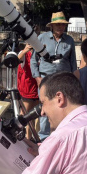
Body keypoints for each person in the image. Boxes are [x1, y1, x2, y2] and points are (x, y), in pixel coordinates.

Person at [31, 12, 78, 140]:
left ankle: (62, 138)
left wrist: (75, 81)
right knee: (45, 111)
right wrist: (37, 78)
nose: (60, 27)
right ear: (52, 25)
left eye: (62, 25)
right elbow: (33, 60)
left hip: (64, 80)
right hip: (45, 79)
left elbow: (73, 62)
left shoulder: (69, 40)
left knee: (64, 109)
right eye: (57, 24)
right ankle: (44, 140)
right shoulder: (42, 38)